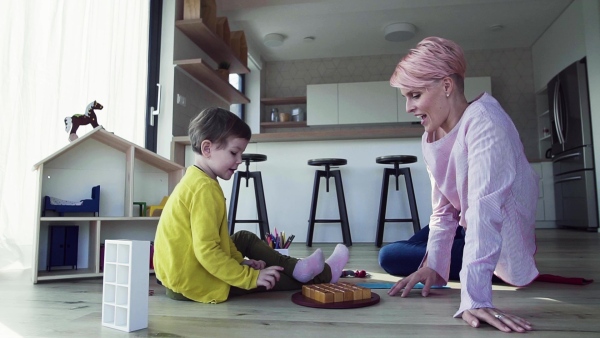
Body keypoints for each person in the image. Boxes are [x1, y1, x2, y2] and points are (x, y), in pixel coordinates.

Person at [380, 37, 539, 333]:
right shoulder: (432, 136)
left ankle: (482, 269)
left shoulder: (486, 124)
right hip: (466, 218)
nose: (408, 107)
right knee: (414, 247)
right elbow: (442, 212)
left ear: (447, 86)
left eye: (414, 95)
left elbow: (483, 210)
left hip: (496, 231)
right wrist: (434, 267)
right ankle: (441, 262)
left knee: (390, 256)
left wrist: (475, 298)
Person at [153, 107, 349, 303]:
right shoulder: (204, 189)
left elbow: (217, 238)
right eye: (234, 152)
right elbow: (207, 251)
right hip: (195, 281)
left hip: (180, 276)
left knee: (243, 238)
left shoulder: (195, 179)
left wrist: (241, 261)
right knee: (270, 278)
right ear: (207, 149)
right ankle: (324, 275)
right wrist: (251, 277)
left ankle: (298, 268)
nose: (239, 160)